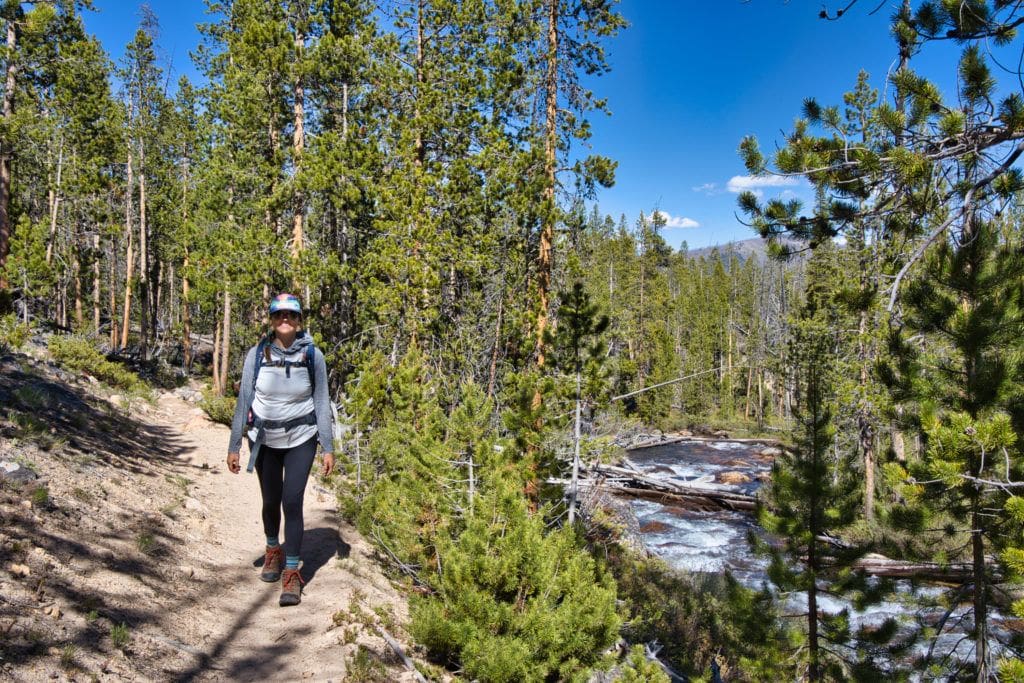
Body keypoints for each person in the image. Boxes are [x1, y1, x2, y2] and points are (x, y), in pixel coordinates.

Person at [226, 293, 335, 607]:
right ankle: (273, 549)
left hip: (302, 437)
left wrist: (327, 446)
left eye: (290, 315)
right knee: (271, 500)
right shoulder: (257, 354)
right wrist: (234, 445)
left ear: (299, 320)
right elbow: (244, 399)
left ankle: (291, 573)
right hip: (264, 438)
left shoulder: (313, 356)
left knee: (292, 499)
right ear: (271, 320)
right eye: (278, 315)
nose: (284, 320)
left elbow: (321, 401)